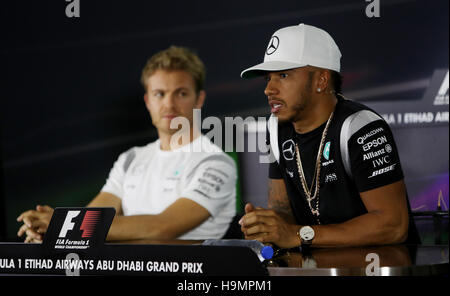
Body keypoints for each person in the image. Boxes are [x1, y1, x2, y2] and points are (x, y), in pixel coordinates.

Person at [17, 46, 237, 242]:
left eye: (181, 93)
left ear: (199, 99)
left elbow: (162, 228)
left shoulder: (217, 163)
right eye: (159, 94)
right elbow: (89, 221)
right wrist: (51, 231)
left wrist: (62, 225)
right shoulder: (131, 158)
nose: (169, 104)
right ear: (148, 101)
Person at [239, 23, 420, 248]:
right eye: (268, 78)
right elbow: (282, 210)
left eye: (283, 75)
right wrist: (269, 228)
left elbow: (393, 226)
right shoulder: (276, 127)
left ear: (321, 81)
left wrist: (298, 235)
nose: (269, 89)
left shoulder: (360, 127)